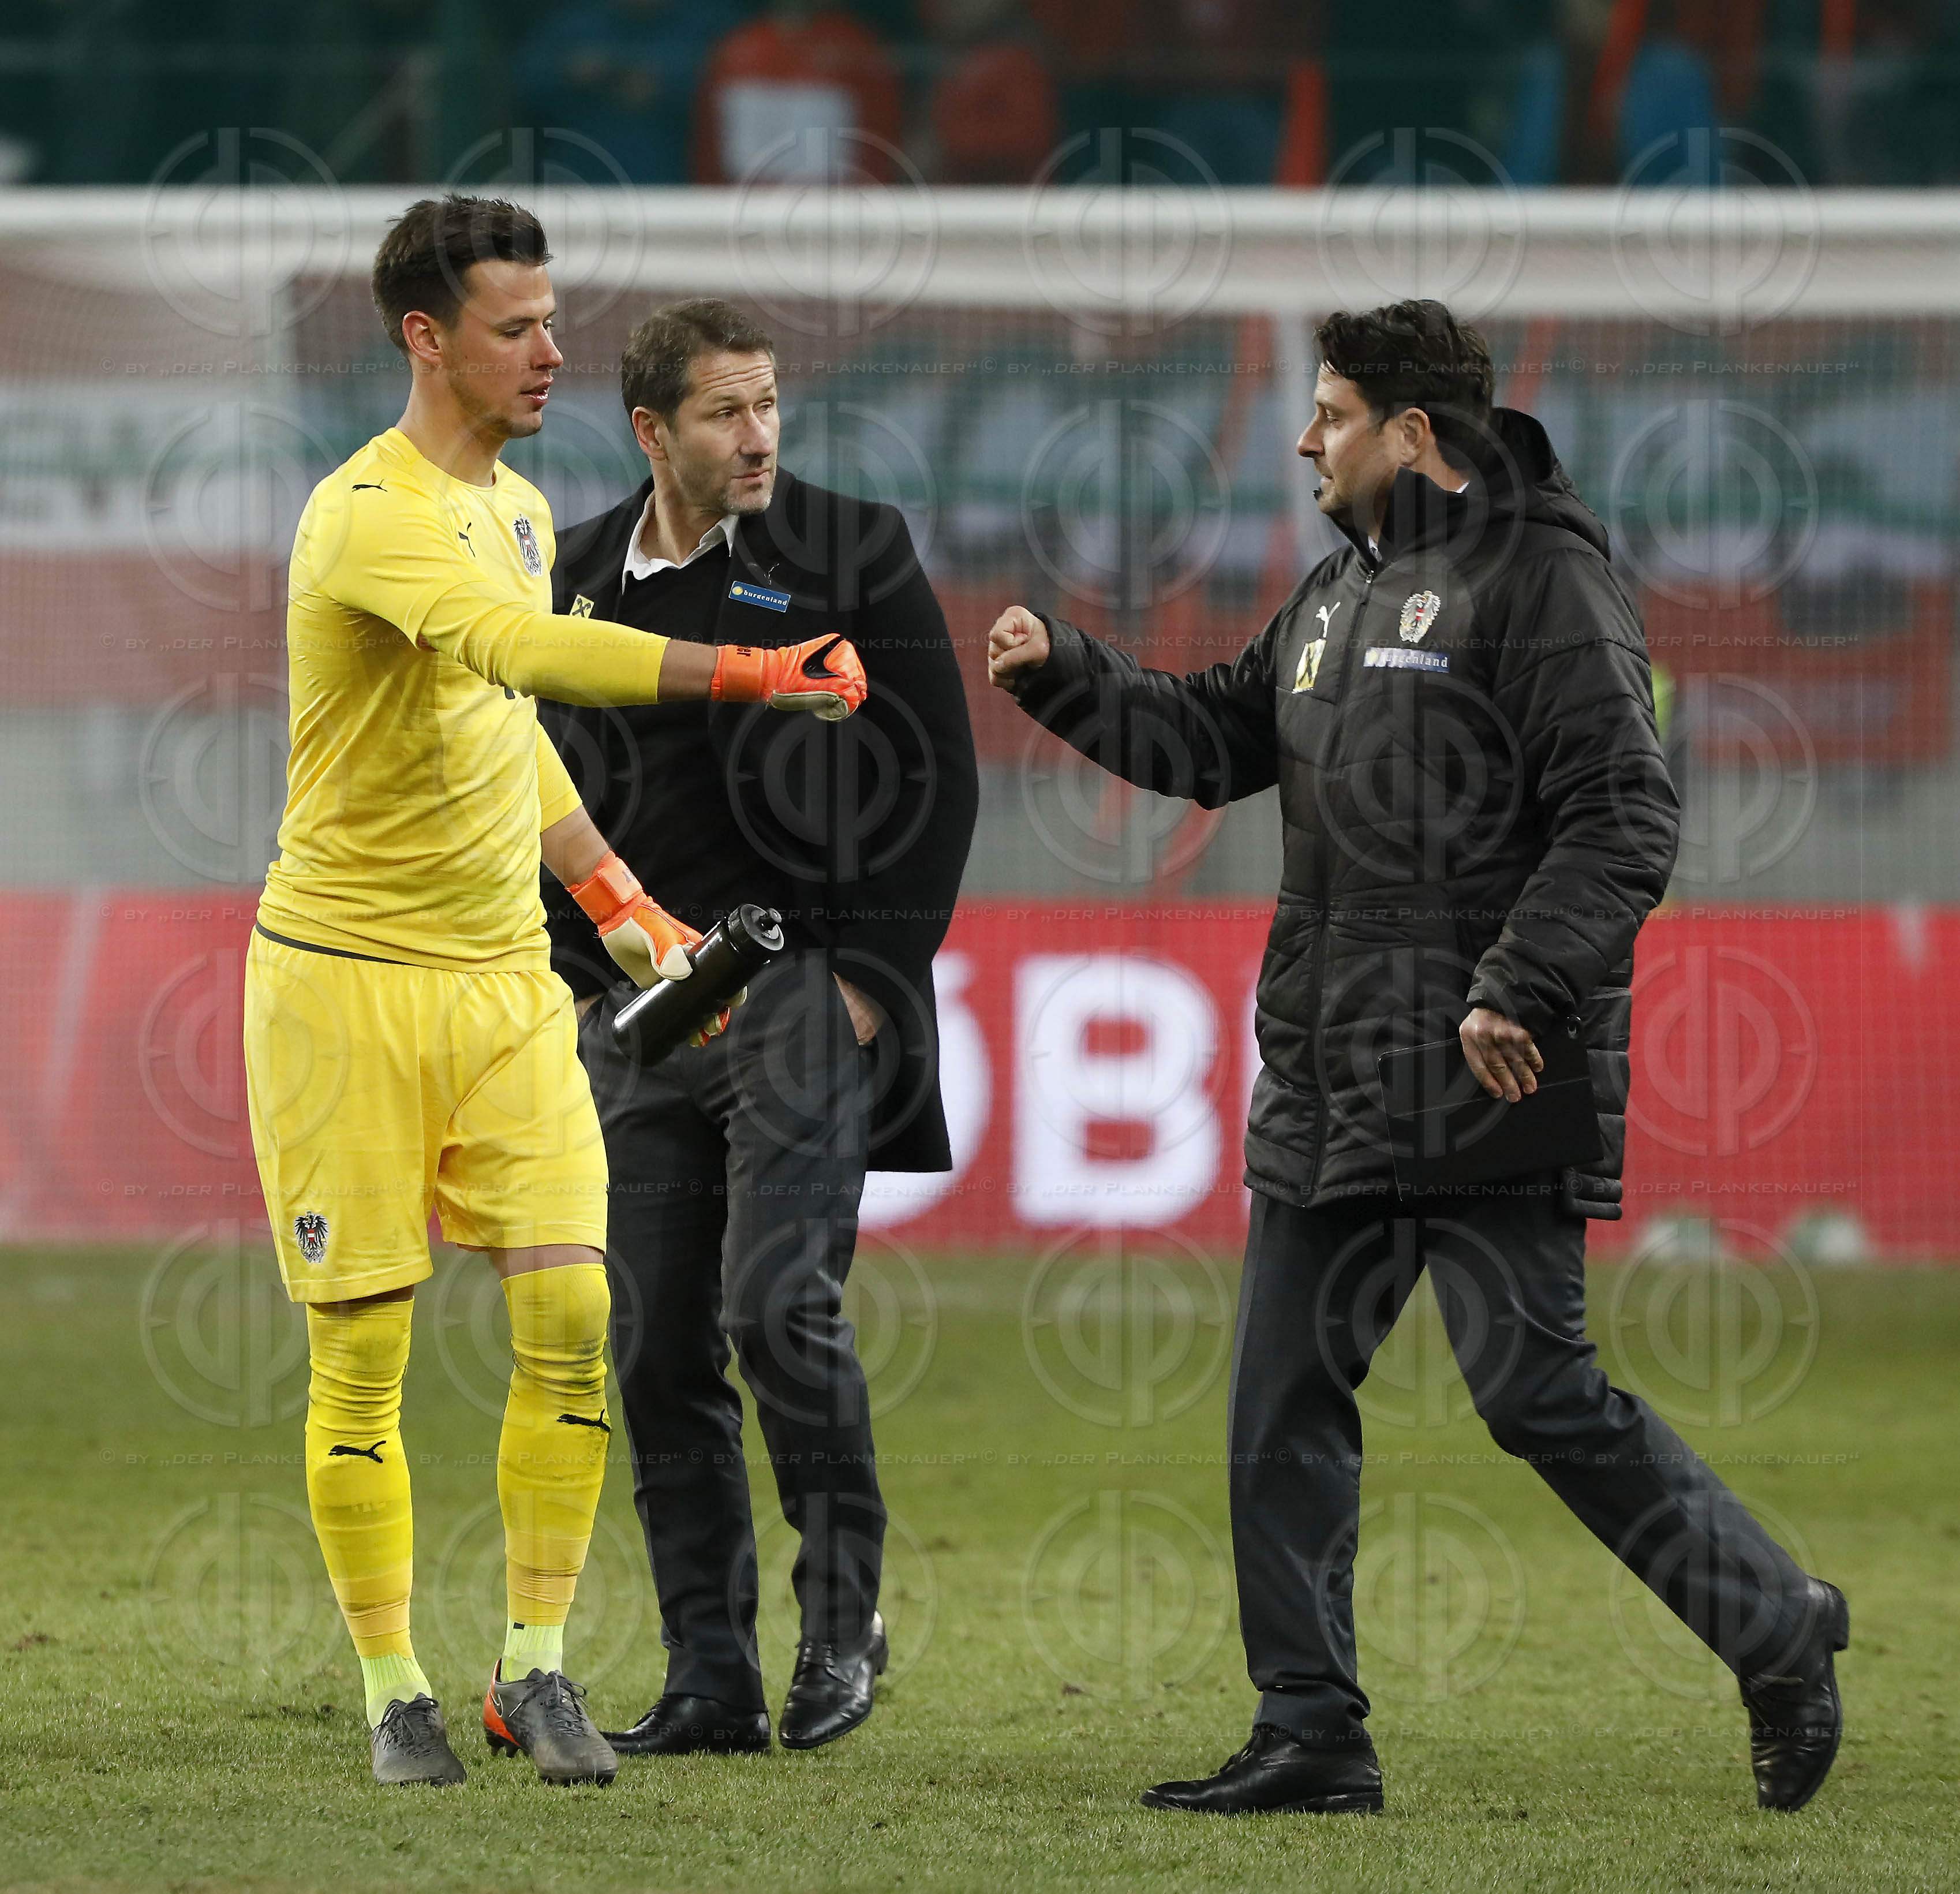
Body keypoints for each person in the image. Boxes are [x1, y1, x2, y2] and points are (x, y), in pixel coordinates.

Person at [986, 297, 1848, 1818]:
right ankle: (1310, 1729)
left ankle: (1773, 1626)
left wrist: (1519, 982)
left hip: (1493, 1076)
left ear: (1411, 433)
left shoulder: (1545, 582)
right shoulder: (1332, 595)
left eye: (1326, 412)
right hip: (1332, 1073)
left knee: (1532, 1393)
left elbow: (1624, 814)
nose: (1302, 437)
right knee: (1276, 1409)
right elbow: (1206, 740)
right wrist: (1064, 669)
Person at [242, 197, 866, 1790]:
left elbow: (492, 727)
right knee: (365, 1356)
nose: (551, 349)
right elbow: (520, 654)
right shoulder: (366, 514)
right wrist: (748, 669)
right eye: (516, 324)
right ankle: (395, 1683)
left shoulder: (517, 505)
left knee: (579, 1315)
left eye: (552, 315)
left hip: (506, 983)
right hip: (345, 991)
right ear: (424, 337)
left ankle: (534, 1665)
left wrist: (619, 897)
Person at [538, 297, 977, 1757]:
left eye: (772, 405)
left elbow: (942, 780)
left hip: (792, 987)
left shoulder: (852, 550)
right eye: (728, 413)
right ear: (653, 431)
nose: (761, 436)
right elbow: (542, 792)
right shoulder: (574, 573)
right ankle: (711, 1677)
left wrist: (870, 980)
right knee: (658, 1345)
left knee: (770, 1308)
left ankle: (841, 1625)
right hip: (640, 1012)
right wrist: (574, 986)